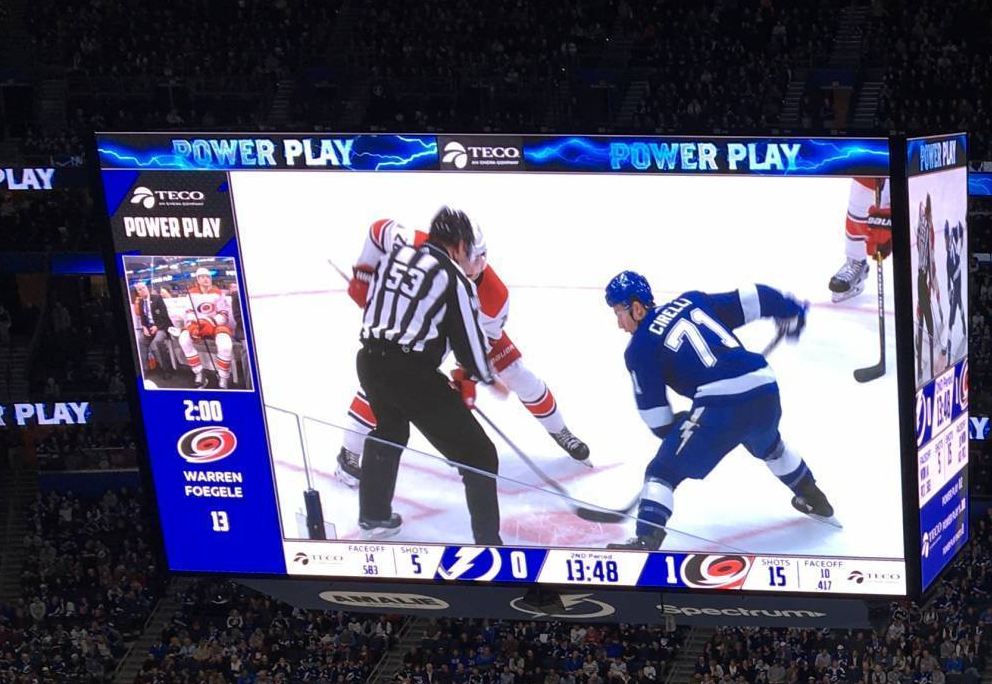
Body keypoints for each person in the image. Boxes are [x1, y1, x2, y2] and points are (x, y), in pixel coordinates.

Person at [339, 213, 588, 479]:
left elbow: (480, 341)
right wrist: (364, 273)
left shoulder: (494, 296)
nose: (479, 264)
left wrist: (465, 376)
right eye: (473, 256)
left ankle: (559, 430)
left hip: (458, 330)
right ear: (457, 250)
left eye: (483, 256)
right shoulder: (420, 245)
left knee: (515, 372)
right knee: (392, 378)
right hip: (418, 321)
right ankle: (349, 454)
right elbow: (379, 230)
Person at [602, 270, 829, 550]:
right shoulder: (692, 301)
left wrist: (676, 427)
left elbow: (656, 416)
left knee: (662, 471)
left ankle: (646, 538)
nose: (619, 324)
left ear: (637, 308)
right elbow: (754, 298)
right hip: (764, 386)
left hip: (719, 405)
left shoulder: (639, 348)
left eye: (618, 313)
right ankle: (814, 497)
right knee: (771, 446)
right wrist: (791, 310)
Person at [354, 205, 501, 544]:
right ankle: (489, 545)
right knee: (479, 455)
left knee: (389, 429)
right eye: (474, 254)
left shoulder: (397, 255)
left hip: (369, 361)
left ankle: (374, 515)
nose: (475, 263)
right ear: (461, 246)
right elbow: (469, 344)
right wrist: (485, 376)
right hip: (409, 373)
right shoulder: (452, 276)